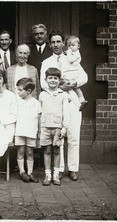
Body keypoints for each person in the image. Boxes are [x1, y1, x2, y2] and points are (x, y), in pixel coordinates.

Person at [40, 31, 88, 181]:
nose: (56, 45)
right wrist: (60, 87)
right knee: (57, 137)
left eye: (58, 41)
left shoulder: (72, 58)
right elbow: (43, 83)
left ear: (63, 43)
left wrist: (73, 84)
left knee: (73, 136)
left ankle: (73, 168)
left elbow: (84, 77)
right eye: (53, 42)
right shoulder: (47, 62)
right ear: (49, 44)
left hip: (73, 101)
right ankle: (58, 168)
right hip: (55, 102)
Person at [39, 68, 70, 186]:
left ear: (59, 80)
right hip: (45, 127)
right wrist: (39, 128)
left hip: (58, 127)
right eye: (50, 78)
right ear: (46, 80)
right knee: (46, 150)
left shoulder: (63, 95)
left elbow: (66, 112)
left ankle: (56, 174)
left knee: (57, 151)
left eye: (55, 78)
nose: (53, 80)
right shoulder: (42, 94)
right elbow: (39, 112)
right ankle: (48, 175)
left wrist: (64, 128)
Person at [15, 78, 41, 183]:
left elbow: (39, 118)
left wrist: (39, 132)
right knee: (21, 150)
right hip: (20, 131)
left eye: (20, 90)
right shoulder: (17, 102)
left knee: (30, 152)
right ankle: (22, 172)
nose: (18, 92)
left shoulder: (36, 103)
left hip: (31, 131)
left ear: (28, 91)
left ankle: (30, 172)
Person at [61, 35, 88, 111]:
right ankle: (82, 100)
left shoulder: (76, 54)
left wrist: (68, 53)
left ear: (78, 46)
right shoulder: (72, 53)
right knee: (76, 88)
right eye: (69, 46)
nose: (70, 47)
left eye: (73, 45)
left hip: (73, 74)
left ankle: (78, 99)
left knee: (70, 85)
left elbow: (70, 60)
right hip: (70, 73)